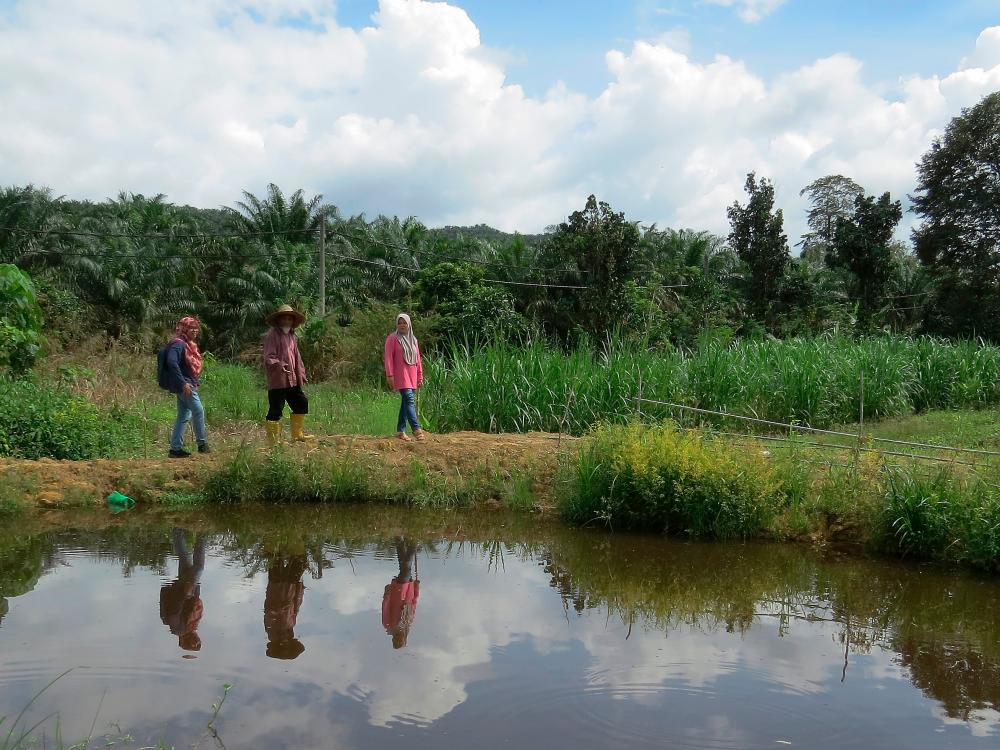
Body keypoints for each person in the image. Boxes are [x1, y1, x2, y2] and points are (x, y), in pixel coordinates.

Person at [262, 304, 313, 446]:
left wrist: (301, 374)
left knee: (301, 403)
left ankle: (297, 435)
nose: (286, 321)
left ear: (292, 322)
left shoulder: (292, 336)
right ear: (278, 320)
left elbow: (297, 357)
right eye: (283, 319)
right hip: (278, 380)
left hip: (293, 380)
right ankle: (273, 442)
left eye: (289, 319)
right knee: (276, 410)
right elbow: (268, 356)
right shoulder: (272, 335)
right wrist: (279, 364)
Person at [164, 316, 209, 458]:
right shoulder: (179, 344)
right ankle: (202, 444)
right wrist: (183, 382)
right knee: (198, 410)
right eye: (191, 328)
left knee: (184, 415)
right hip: (185, 386)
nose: (195, 330)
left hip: (187, 384)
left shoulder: (187, 344)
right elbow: (171, 362)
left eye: (196, 328)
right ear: (184, 329)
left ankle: (175, 449)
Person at [159, 528, 206, 652]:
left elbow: (174, 613)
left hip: (184, 589)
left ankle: (202, 531)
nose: (197, 639)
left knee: (199, 567)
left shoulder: (178, 629)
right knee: (185, 558)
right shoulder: (188, 628)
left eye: (195, 642)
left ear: (187, 641)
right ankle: (177, 529)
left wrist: (185, 595)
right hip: (184, 589)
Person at [384, 313, 426, 441]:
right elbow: (388, 358)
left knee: (406, 403)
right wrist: (389, 374)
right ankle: (416, 428)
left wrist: (420, 376)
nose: (402, 325)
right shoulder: (392, 338)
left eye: (404, 323)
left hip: (412, 374)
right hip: (400, 375)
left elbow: (418, 359)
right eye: (399, 322)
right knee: (409, 399)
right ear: (397, 324)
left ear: (409, 324)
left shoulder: (413, 339)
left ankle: (400, 431)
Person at [263, 553, 307, 660]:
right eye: (287, 642)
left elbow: (270, 610)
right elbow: (296, 605)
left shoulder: (272, 629)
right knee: (299, 558)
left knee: (275, 556)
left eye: (283, 643)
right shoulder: (290, 626)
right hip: (289, 586)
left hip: (277, 586)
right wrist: (299, 588)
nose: (284, 639)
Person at [382, 537, 420, 650]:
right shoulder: (408, 625)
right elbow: (414, 605)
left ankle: (414, 541)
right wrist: (417, 589)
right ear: (404, 639)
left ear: (393, 640)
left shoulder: (388, 625)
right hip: (410, 592)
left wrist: (387, 595)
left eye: (397, 641)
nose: (399, 639)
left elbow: (385, 608)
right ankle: (399, 539)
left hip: (397, 593)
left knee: (406, 568)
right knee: (403, 565)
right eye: (401, 641)